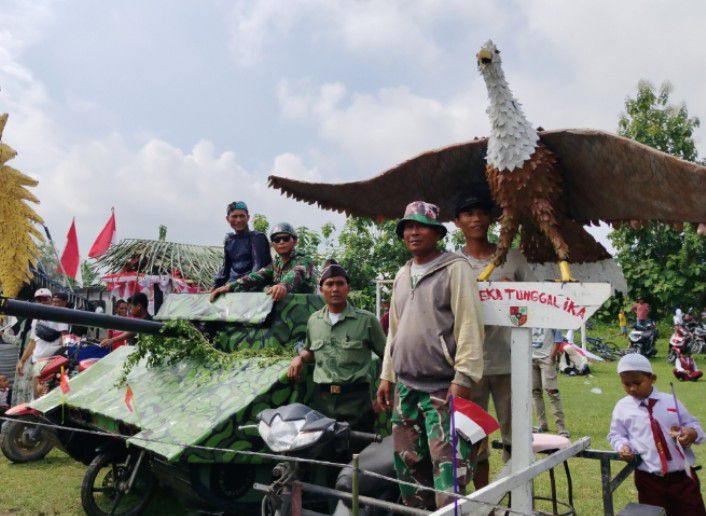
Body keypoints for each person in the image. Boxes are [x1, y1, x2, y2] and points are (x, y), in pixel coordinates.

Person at [377, 201, 484, 510]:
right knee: (409, 470)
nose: (413, 232)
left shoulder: (455, 268)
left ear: (437, 233)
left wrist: (463, 378)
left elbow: (469, 324)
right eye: (408, 227)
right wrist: (387, 375)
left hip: (442, 388)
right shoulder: (402, 274)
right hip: (406, 388)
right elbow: (394, 333)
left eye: (421, 226)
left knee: (448, 473)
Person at [453, 194, 534, 487]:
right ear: (457, 221)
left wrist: (515, 294)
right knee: (472, 436)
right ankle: (483, 501)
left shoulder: (513, 258)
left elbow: (536, 302)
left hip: (509, 360)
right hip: (467, 365)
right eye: (467, 213)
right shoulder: (452, 262)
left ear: (491, 218)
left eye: (481, 213)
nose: (475, 219)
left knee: (516, 435)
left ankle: (516, 498)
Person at [287, 263, 386, 433]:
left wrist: (382, 396)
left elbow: (389, 357)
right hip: (322, 400)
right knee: (325, 453)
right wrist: (300, 357)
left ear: (348, 288)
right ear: (321, 289)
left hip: (356, 401)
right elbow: (312, 352)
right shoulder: (314, 320)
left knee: (357, 455)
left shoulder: (366, 321)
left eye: (340, 284)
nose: (335, 289)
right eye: (329, 284)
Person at [608, 353, 706, 515]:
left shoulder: (670, 401)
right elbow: (616, 435)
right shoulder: (622, 407)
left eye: (637, 383)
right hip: (648, 480)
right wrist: (622, 445)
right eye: (626, 384)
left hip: (683, 478)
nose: (632, 388)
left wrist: (692, 432)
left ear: (652, 378)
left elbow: (693, 425)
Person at [210, 223, 315, 302]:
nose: (281, 242)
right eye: (277, 239)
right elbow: (255, 277)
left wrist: (283, 285)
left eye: (286, 238)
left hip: (304, 312)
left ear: (295, 241)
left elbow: (297, 273)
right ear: (273, 244)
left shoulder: (304, 261)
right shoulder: (275, 265)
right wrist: (229, 287)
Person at [15, 288, 69, 403]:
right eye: (39, 299)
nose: (42, 301)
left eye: (44, 298)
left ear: (50, 299)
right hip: (38, 362)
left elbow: (65, 339)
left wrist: (62, 359)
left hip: (52, 362)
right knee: (36, 396)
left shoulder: (59, 315)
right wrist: (22, 361)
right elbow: (32, 342)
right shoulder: (36, 318)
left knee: (50, 397)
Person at [212, 201, 272, 289]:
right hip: (232, 288)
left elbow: (258, 268)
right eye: (234, 216)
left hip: (252, 288)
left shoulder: (257, 237)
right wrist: (215, 286)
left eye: (242, 216)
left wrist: (239, 286)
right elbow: (225, 269)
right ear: (228, 218)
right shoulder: (229, 240)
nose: (238, 220)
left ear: (248, 218)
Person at [532, 329, 569, 436]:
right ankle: (542, 425)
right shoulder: (529, 313)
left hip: (546, 357)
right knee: (535, 392)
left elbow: (558, 338)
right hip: (530, 358)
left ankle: (561, 428)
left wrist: (552, 356)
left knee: (552, 392)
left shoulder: (553, 315)